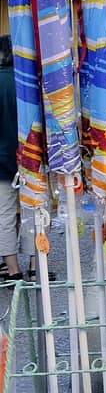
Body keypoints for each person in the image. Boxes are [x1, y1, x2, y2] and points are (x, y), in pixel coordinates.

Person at [0, 34, 21, 282]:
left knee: (4, 214)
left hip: (1, 162)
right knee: (33, 211)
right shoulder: (24, 82)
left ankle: (12, 268)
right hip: (28, 157)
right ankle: (37, 264)